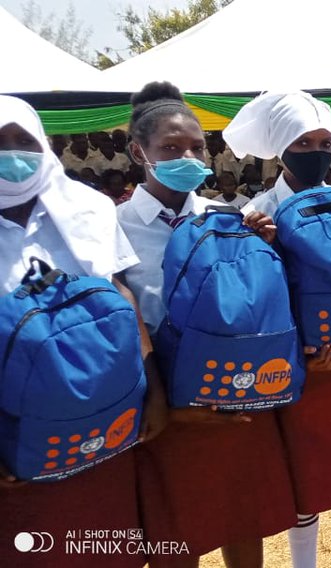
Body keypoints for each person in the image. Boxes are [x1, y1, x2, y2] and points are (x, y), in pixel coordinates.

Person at [115, 81, 293, 568]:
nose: (188, 156)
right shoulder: (114, 227)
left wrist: (265, 247)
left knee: (242, 520)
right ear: (139, 152)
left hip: (234, 389)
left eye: (196, 146)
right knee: (178, 535)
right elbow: (124, 318)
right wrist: (161, 399)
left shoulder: (228, 216)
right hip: (168, 400)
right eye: (170, 148)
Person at [225, 91, 331, 568]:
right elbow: (251, 300)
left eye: (325, 141)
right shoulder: (255, 214)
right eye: (304, 143)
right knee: (307, 483)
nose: (318, 152)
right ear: (281, 149)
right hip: (302, 373)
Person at [0, 94, 167, 568]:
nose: (13, 153)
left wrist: (152, 390)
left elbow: (120, 294)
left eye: (24, 140)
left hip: (108, 422)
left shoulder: (88, 207)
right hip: (18, 436)